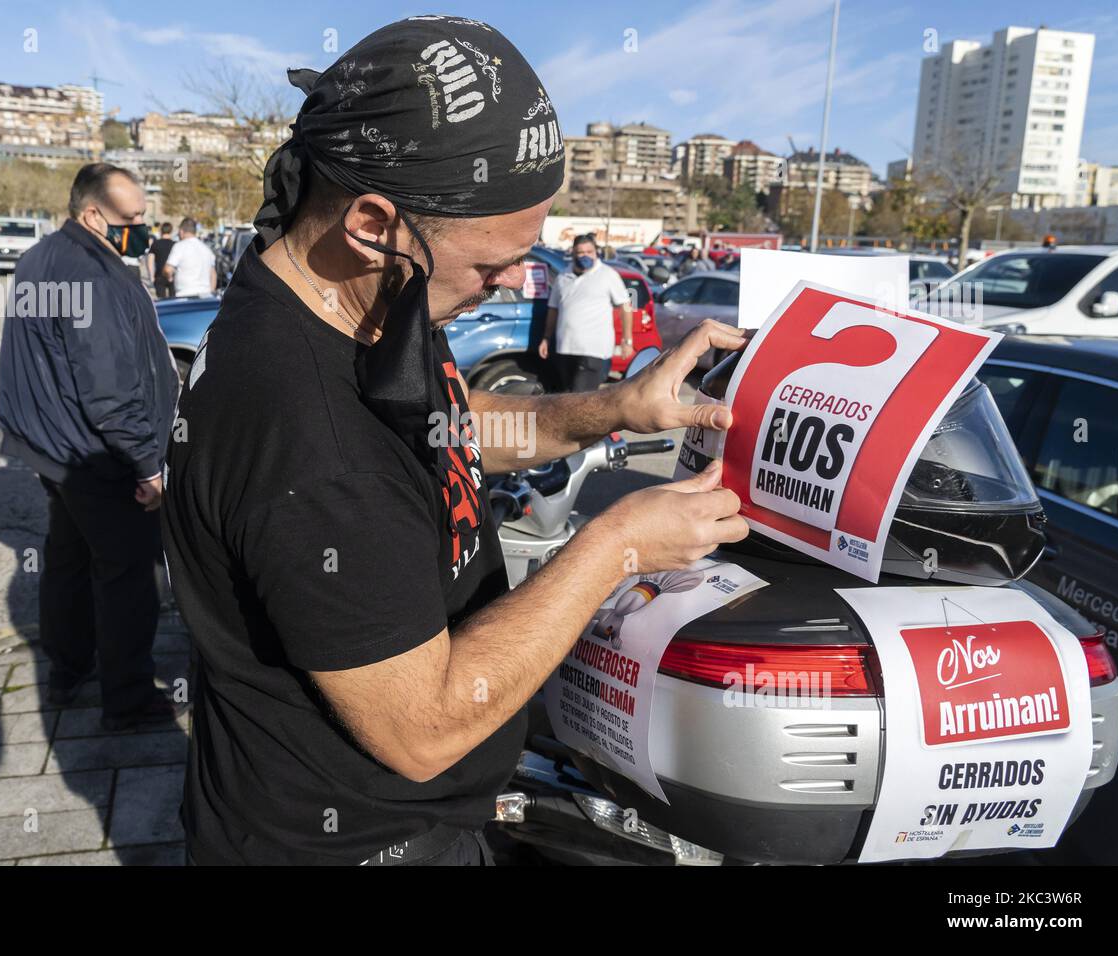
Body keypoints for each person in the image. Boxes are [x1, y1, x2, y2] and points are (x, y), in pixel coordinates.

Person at [162, 15, 748, 867]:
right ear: (374, 222)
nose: (517, 280)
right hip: (353, 840)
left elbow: (449, 424)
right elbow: (423, 728)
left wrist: (619, 408)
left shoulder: (358, 299)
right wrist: (618, 544)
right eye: (492, 264)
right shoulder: (308, 433)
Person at [0, 163, 182, 731]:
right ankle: (126, 698)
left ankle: (67, 669)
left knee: (69, 560)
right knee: (126, 573)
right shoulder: (93, 276)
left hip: (53, 448)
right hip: (94, 454)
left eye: (145, 217)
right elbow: (109, 390)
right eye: (132, 218)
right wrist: (148, 463)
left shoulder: (42, 257)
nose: (142, 228)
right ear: (92, 213)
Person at [538, 234, 634, 392]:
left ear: (596, 252)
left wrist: (627, 340)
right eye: (580, 252)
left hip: (593, 350)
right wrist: (546, 338)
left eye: (589, 251)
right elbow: (553, 308)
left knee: (581, 397)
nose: (585, 256)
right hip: (565, 348)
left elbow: (625, 306)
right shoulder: (563, 277)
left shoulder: (608, 275)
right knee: (566, 396)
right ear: (573, 253)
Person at [162, 217, 216, 297]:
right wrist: (211, 292)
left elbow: (167, 270)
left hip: (184, 295)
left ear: (181, 231)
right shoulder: (207, 249)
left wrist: (169, 277)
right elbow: (213, 274)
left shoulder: (180, 246)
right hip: (206, 296)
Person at [147, 222, 176, 298]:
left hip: (159, 275)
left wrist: (151, 277)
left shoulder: (156, 244)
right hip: (173, 275)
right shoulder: (175, 244)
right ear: (171, 231)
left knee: (161, 301)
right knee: (174, 300)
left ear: (161, 231)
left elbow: (150, 261)